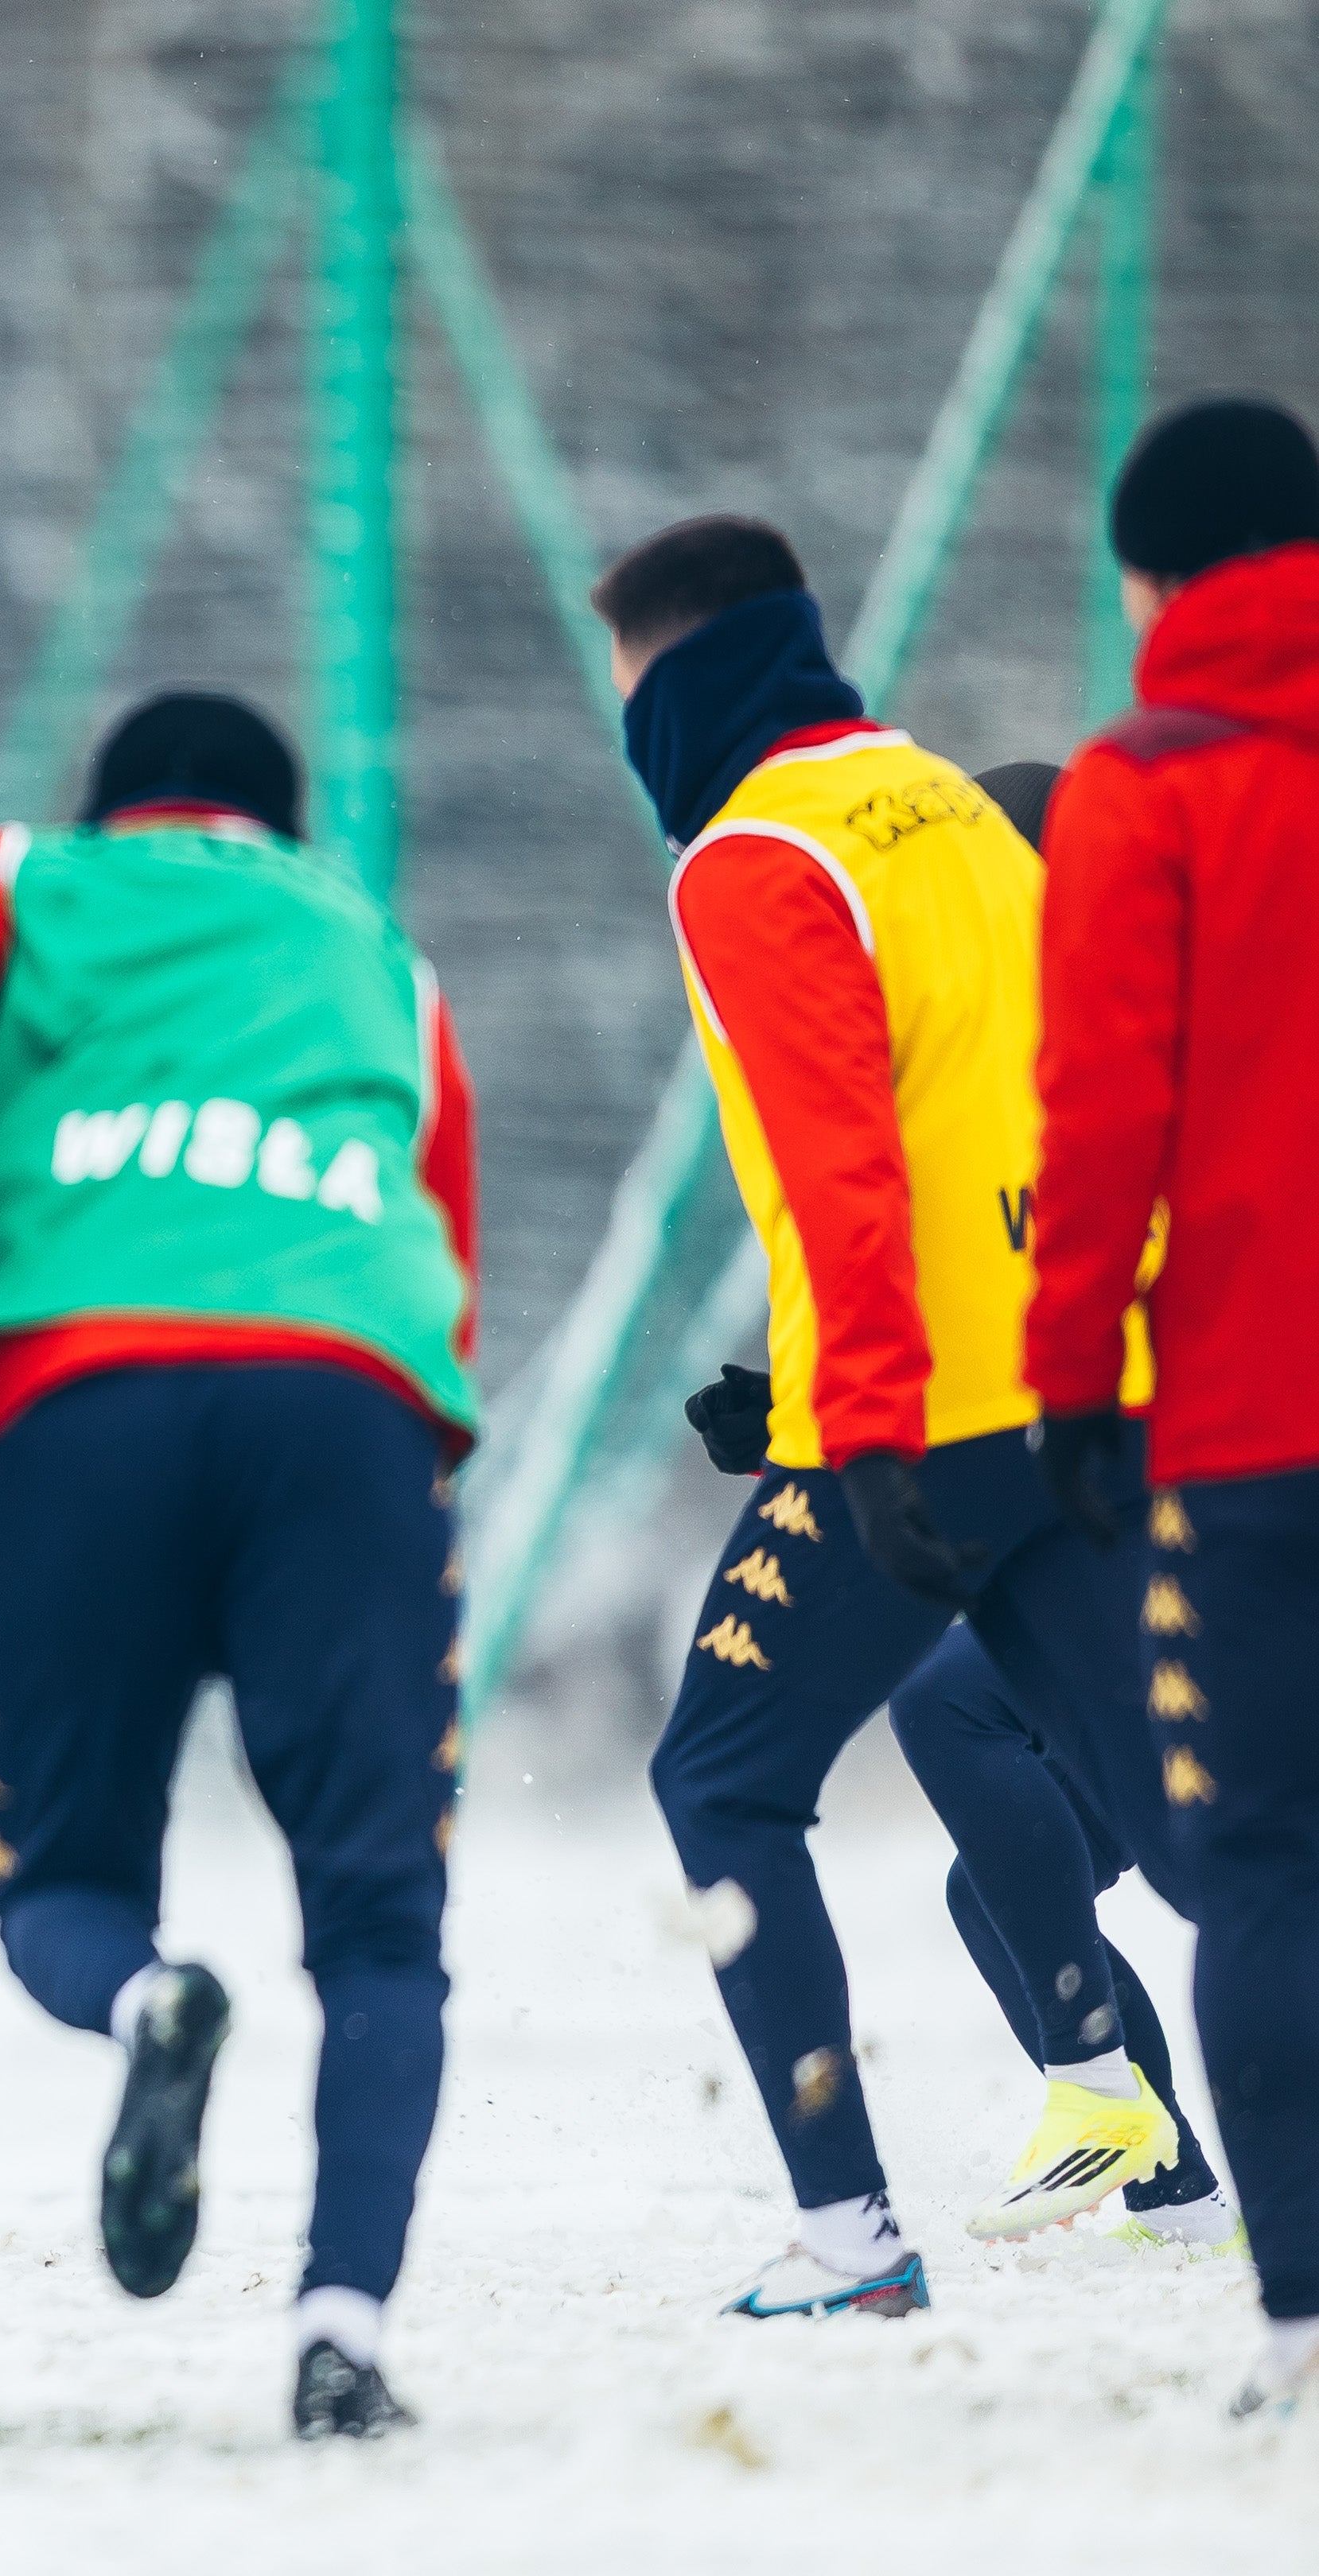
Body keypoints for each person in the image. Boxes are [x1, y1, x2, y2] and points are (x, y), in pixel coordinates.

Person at [0, 691, 477, 2440]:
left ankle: (145, 2000)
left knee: (60, 1882)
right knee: (378, 1918)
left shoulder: (16, 875)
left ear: (111, 807)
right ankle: (341, 2334)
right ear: (280, 826)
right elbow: (447, 1236)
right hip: (337, 1400)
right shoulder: (379, 953)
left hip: (77, 1391)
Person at [606, 517, 1181, 2322]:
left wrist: (842, 1423)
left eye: (620, 683)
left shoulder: (750, 855)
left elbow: (842, 1164)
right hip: (1078, 1384)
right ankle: (1156, 2159)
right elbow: (1016, 1119)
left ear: (679, 674)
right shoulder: (939, 802)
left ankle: (848, 2242)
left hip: (922, 1418)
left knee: (716, 1780)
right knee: (1199, 1830)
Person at [673, 763, 1234, 2255]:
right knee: (999, 1867)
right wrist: (790, 1423)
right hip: (1126, 1510)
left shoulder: (1156, 1052)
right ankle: (1161, 2172)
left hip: (1231, 1536)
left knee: (958, 1718)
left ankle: (1101, 2101)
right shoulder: (1037, 1065)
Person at [1026, 393, 1319, 2418]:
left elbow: (1102, 1108)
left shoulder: (1145, 788)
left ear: (1146, 580)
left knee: (1273, 1866)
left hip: (1244, 1418)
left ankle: (1301, 2321)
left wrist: (1067, 1384)